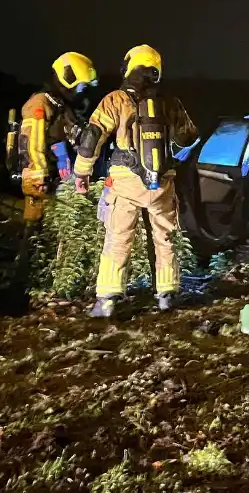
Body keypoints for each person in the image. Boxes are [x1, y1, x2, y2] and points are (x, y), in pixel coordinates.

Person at [74, 45, 197, 316]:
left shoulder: (115, 99)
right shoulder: (170, 101)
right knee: (164, 238)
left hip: (125, 180)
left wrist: (81, 171)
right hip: (161, 181)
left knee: (118, 238)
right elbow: (188, 137)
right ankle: (166, 294)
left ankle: (107, 300)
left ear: (129, 66)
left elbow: (92, 137)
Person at [16, 52, 101, 222]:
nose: (81, 93)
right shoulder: (41, 102)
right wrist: (37, 177)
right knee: (37, 232)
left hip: (63, 182)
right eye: (80, 87)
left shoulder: (65, 107)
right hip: (44, 184)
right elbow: (32, 140)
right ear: (66, 80)